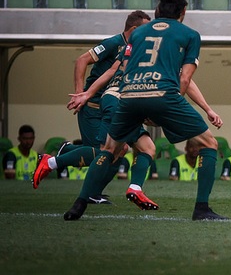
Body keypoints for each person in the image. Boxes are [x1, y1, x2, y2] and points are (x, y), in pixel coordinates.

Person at [62, 0, 226, 221]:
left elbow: (123, 68)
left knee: (109, 149)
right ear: (184, 10)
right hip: (164, 96)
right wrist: (164, 109)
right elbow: (185, 79)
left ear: (158, 9)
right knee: (209, 144)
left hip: (129, 96)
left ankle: (79, 204)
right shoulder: (190, 35)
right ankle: (201, 209)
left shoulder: (138, 34)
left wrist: (124, 96)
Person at [32, 11, 152, 205]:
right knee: (104, 152)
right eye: (147, 28)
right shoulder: (114, 43)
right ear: (134, 29)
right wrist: (81, 93)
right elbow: (82, 60)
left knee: (119, 151)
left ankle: (91, 188)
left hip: (118, 106)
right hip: (95, 107)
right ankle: (58, 159)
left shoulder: (137, 48)